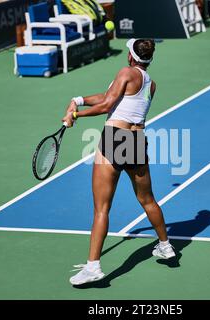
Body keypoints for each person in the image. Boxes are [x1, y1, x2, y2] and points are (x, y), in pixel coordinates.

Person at [63, 39, 175, 286]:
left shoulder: (126, 72)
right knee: (148, 199)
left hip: (115, 138)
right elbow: (108, 97)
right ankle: (165, 246)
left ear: (131, 57)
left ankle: (93, 267)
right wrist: (78, 99)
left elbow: (105, 106)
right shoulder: (150, 84)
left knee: (102, 209)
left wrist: (74, 116)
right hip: (136, 141)